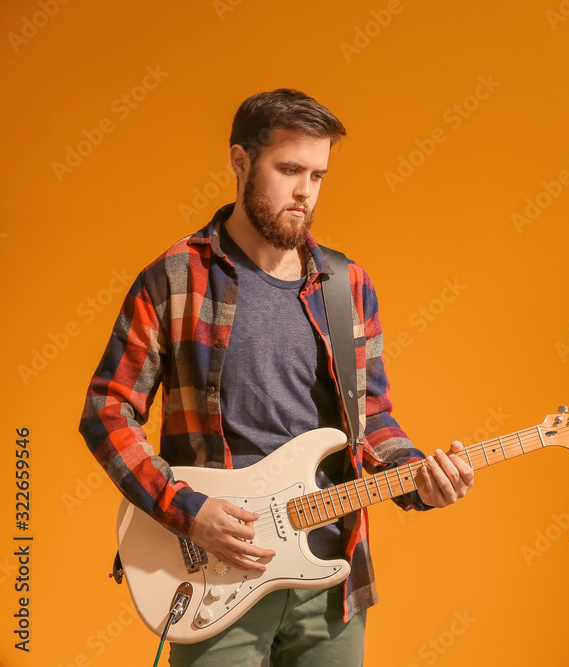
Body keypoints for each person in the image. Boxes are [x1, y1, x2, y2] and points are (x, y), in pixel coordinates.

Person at [79, 88, 474, 666]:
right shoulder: (175, 279)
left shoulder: (348, 285)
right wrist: (186, 510)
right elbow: (106, 410)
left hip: (333, 583)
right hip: (218, 586)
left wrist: (419, 477)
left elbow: (372, 418)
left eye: (317, 175)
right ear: (240, 162)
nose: (304, 193)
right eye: (288, 170)